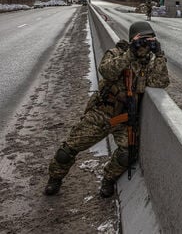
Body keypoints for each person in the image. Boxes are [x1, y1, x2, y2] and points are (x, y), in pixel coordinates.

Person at [44, 21, 169, 198]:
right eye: (142, 39)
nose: (146, 44)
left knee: (127, 154)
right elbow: (106, 71)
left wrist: (160, 55)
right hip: (101, 113)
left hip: (125, 118)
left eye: (150, 39)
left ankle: (108, 179)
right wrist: (130, 54)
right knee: (68, 150)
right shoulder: (117, 53)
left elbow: (160, 81)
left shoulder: (148, 64)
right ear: (132, 39)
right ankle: (55, 179)